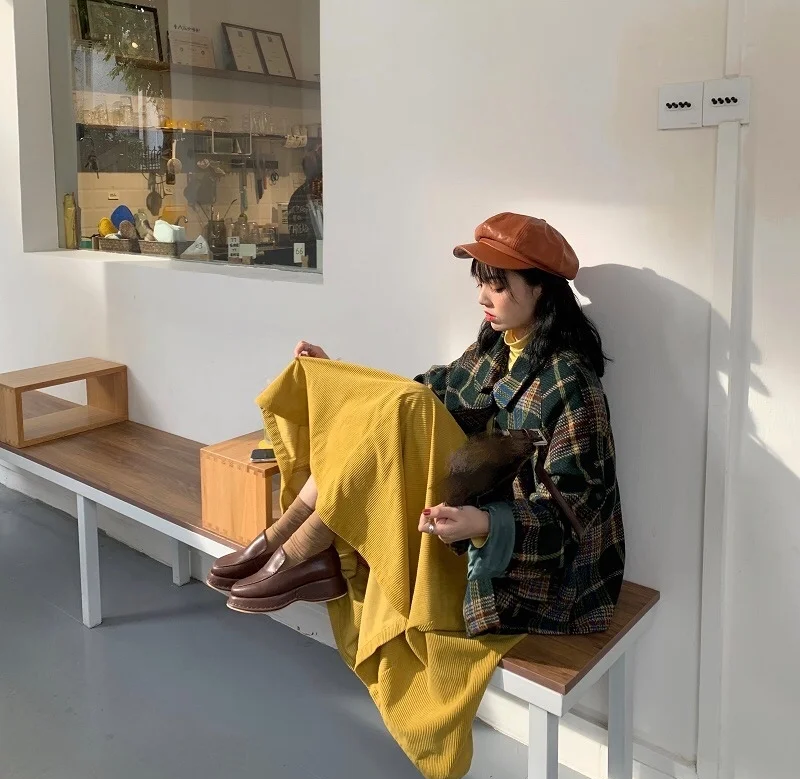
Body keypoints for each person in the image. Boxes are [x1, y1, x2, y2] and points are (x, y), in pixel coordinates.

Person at [207, 212, 624, 637]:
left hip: (543, 583)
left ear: (541, 289)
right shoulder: (496, 348)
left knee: (401, 412)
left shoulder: (570, 382)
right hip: (463, 520)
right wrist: (336, 375)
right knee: (393, 411)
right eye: (480, 283)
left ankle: (304, 547)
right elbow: (420, 394)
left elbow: (572, 518)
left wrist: (482, 523)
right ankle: (291, 538)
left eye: (497, 286)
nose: (482, 298)